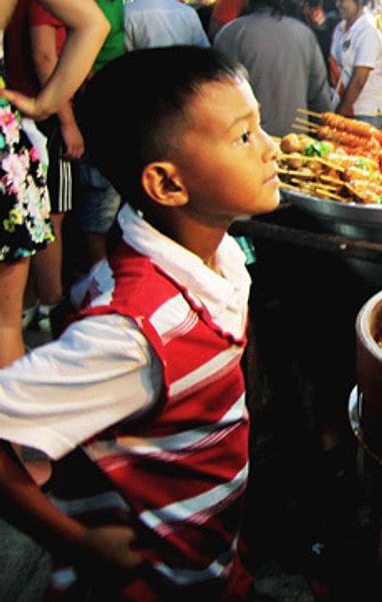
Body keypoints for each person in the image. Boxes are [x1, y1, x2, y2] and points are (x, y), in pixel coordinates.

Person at [0, 45, 281, 599]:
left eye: (260, 126)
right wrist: (75, 540)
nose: (272, 149)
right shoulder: (134, 332)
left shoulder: (215, 258)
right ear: (169, 185)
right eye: (244, 136)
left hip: (205, 551)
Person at [4, 0, 89, 340]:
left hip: (16, 119)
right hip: (33, 124)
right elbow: (46, 53)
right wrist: (57, 110)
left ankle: (29, 303)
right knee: (49, 217)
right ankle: (48, 304)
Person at [70, 0, 132, 270]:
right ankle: (95, 273)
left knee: (113, 193)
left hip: (113, 102)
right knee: (98, 196)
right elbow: (73, 59)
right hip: (90, 107)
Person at [214, 0, 332, 137]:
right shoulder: (303, 34)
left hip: (248, 141)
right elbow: (320, 95)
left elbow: (220, 95)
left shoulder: (230, 33)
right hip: (296, 145)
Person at [329, 0, 382, 126]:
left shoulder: (367, 34)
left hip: (364, 112)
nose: (338, 5)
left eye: (342, 0)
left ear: (360, 1)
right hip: (343, 106)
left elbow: (359, 80)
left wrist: (338, 116)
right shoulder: (339, 29)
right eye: (337, 0)